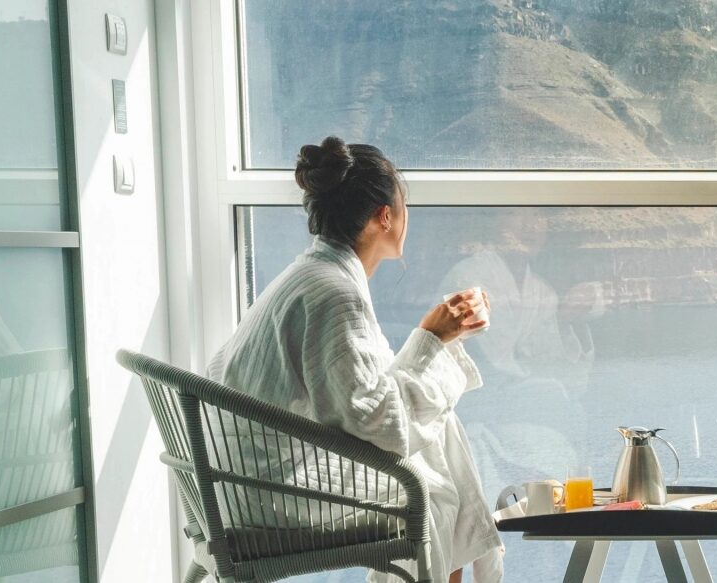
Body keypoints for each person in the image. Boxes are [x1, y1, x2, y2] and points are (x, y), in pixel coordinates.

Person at [207, 136, 504, 583]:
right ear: (385, 216)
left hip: (233, 481)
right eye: (404, 205)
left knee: (437, 441)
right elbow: (381, 424)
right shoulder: (335, 293)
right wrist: (431, 339)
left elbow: (370, 393)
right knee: (436, 494)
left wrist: (439, 339)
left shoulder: (312, 273)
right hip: (266, 497)